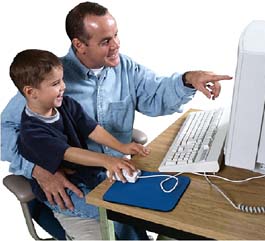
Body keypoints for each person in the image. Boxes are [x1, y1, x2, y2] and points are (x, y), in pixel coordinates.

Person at [1, 1, 232, 239]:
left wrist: (188, 79)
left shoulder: (125, 68)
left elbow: (154, 96)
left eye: (115, 36)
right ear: (79, 45)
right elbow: (5, 132)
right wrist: (39, 168)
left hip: (117, 176)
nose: (116, 45)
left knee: (188, 214)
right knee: (117, 221)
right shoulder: (51, 82)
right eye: (105, 41)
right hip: (75, 188)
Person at [10, 48, 150, 239]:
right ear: (31, 92)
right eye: (55, 83)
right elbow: (67, 152)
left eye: (62, 80)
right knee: (116, 213)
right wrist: (107, 160)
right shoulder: (32, 133)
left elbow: (92, 128)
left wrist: (121, 147)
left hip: (89, 176)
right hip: (67, 192)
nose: (63, 87)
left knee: (131, 207)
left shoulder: (66, 104)